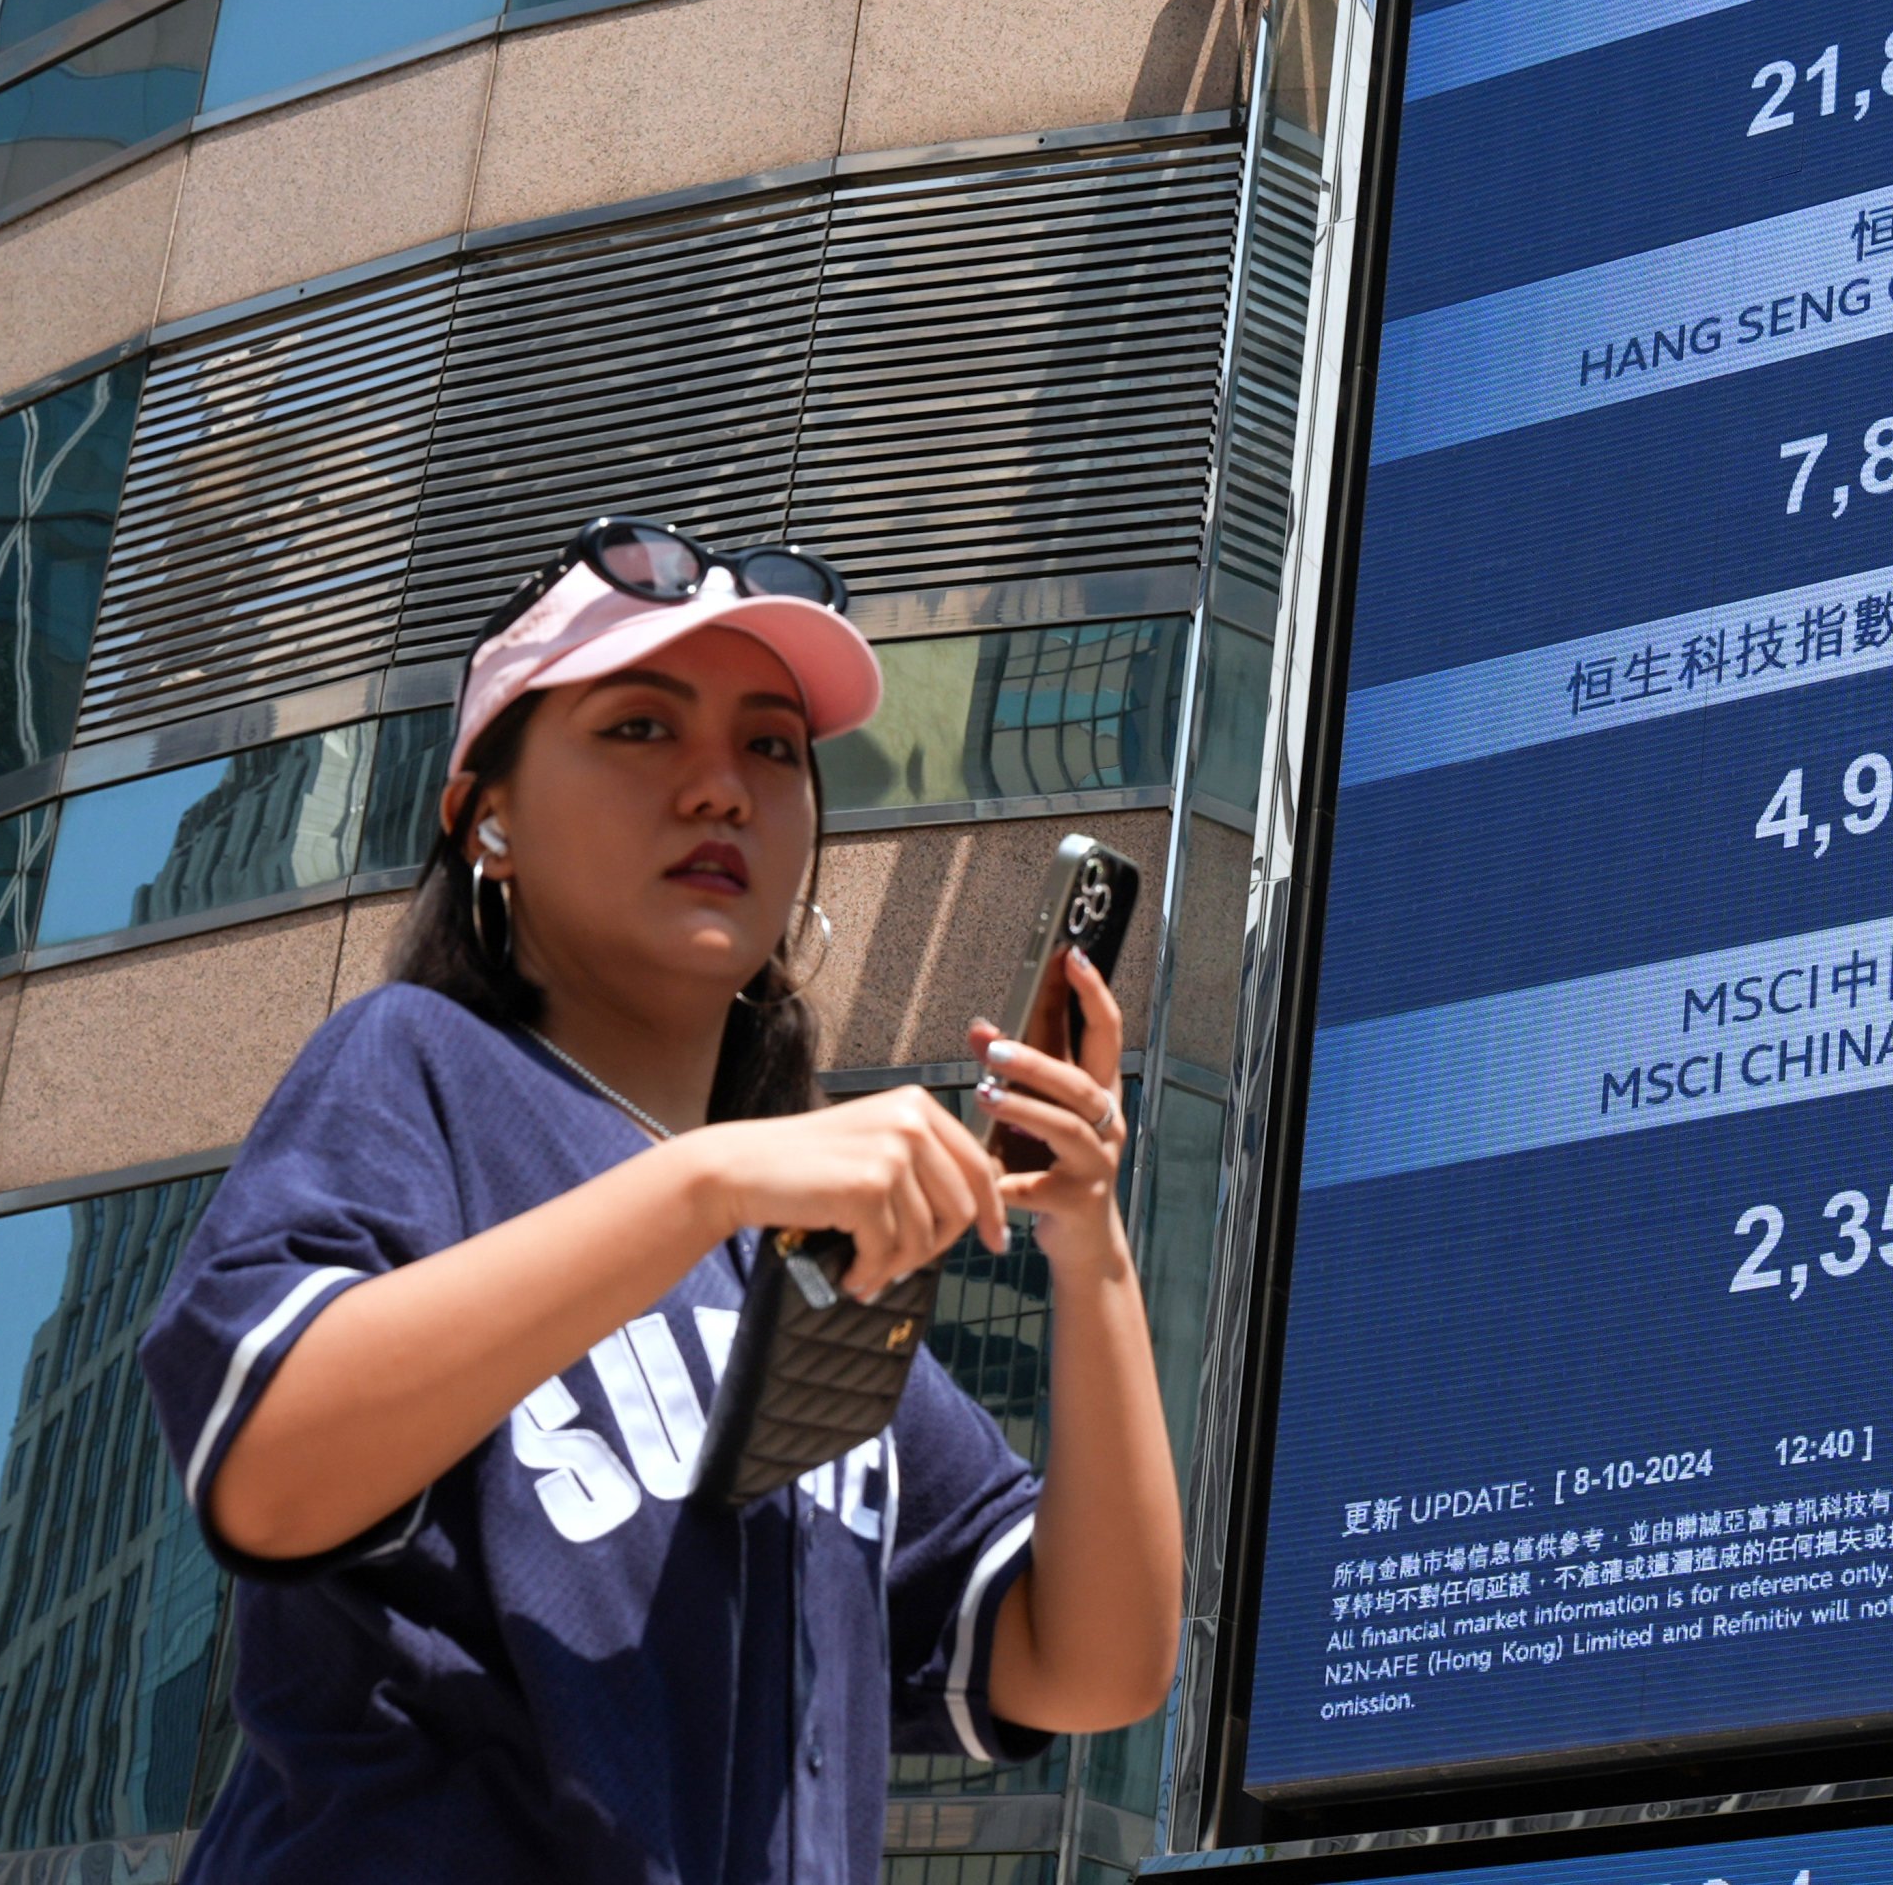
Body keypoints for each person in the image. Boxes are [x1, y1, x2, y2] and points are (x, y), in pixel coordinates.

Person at [140, 518, 1180, 1883]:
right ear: (488, 816)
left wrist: (1088, 1236)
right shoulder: (415, 1066)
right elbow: (268, 1469)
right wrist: (702, 1180)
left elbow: (1087, 1662)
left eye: (771, 745)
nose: (721, 788)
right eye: (639, 728)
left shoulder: (799, 1251)